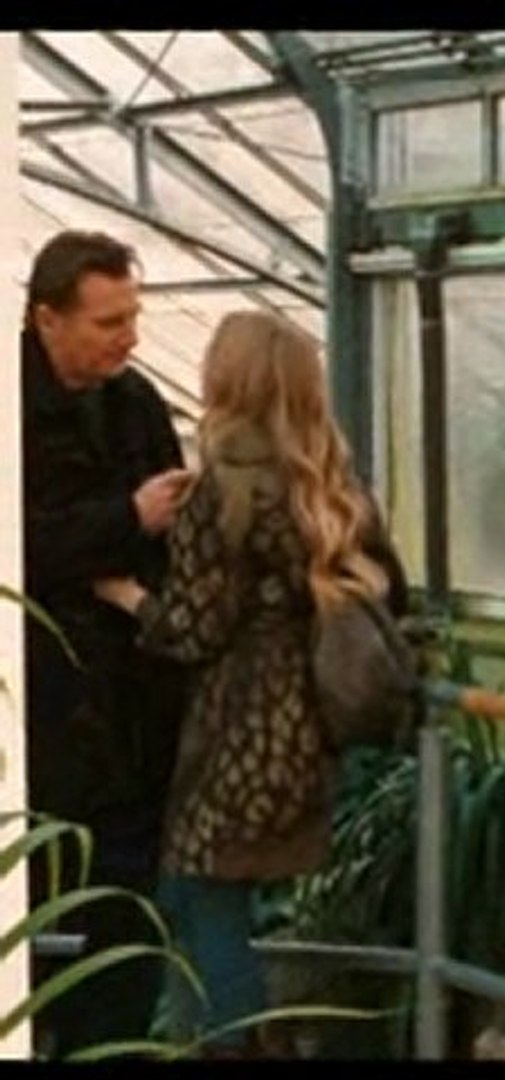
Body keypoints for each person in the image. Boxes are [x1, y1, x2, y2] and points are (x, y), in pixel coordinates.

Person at [94, 310, 408, 1059]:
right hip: (304, 736)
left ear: (229, 381)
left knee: (205, 905)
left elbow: (194, 630)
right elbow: (392, 594)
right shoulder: (331, 489)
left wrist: (127, 596)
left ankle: (230, 1047)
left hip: (239, 737)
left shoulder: (225, 494)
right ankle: (207, 1041)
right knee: (193, 898)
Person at [20, 229, 194, 1056]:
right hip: (38, 714)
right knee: (43, 904)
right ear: (46, 319)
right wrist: (127, 518)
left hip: (132, 713)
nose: (129, 336)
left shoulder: (136, 404)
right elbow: (20, 544)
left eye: (133, 315)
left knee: (123, 918)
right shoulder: (13, 409)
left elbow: (164, 542)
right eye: (109, 321)